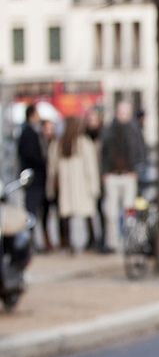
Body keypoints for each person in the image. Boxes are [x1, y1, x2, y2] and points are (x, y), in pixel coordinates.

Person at [46, 116, 100, 251]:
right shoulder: (82, 143)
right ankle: (90, 239)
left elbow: (52, 168)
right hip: (81, 185)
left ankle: (67, 241)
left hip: (67, 186)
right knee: (86, 213)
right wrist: (94, 186)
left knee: (67, 215)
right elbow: (91, 167)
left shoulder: (59, 143)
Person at [101, 101, 144, 251]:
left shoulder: (133, 129)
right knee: (111, 212)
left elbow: (139, 150)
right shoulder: (109, 130)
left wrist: (136, 169)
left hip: (128, 175)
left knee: (129, 210)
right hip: (112, 175)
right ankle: (112, 242)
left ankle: (129, 240)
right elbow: (103, 152)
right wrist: (104, 171)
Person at [17, 103, 52, 250]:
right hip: (33, 178)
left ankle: (37, 241)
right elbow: (29, 155)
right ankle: (28, 242)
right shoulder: (28, 133)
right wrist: (43, 163)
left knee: (40, 211)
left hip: (38, 178)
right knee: (31, 212)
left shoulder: (34, 132)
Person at [83, 107, 105, 249]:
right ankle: (91, 237)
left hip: (101, 176)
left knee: (101, 209)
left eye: (94, 119)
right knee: (88, 210)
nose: (92, 122)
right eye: (90, 119)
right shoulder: (84, 138)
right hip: (88, 178)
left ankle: (102, 238)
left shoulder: (103, 136)